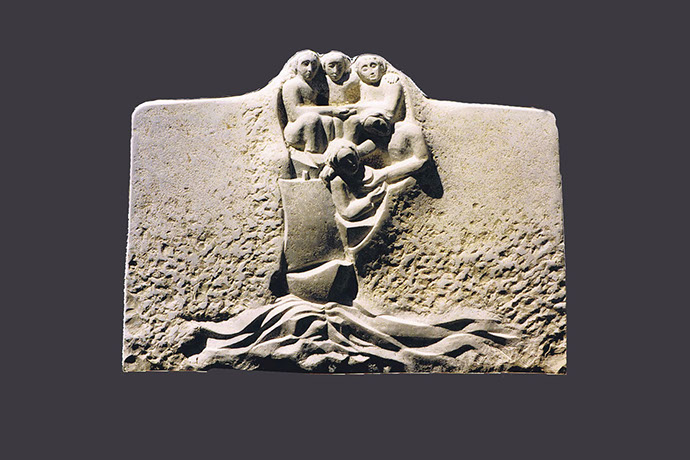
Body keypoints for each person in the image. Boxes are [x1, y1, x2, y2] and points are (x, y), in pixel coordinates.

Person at [343, 54, 430, 187]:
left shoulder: (409, 131)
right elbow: (356, 153)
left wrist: (384, 174)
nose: (371, 71)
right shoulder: (372, 140)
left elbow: (422, 160)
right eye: (365, 68)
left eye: (373, 66)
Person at [282, 50, 356, 154]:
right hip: (295, 131)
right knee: (311, 118)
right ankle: (311, 152)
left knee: (328, 121)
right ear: (296, 66)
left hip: (313, 126)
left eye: (314, 65)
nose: (310, 69)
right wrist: (332, 110)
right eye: (305, 64)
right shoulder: (292, 85)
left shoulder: (314, 86)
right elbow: (295, 113)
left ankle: (327, 151)